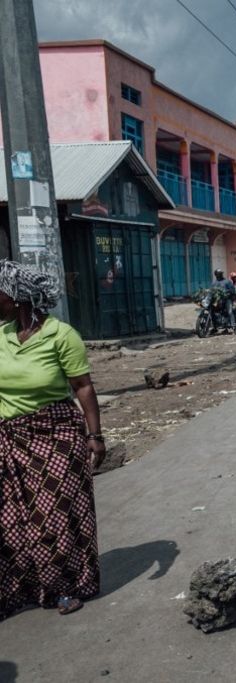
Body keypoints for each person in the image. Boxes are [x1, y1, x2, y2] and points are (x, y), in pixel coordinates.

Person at [0, 260, 105, 619]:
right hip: (9, 437)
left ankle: (64, 587)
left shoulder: (61, 335)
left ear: (17, 298)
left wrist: (95, 436)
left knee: (52, 515)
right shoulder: (0, 335)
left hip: (55, 433)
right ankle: (22, 588)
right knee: (10, 517)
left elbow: (83, 387)